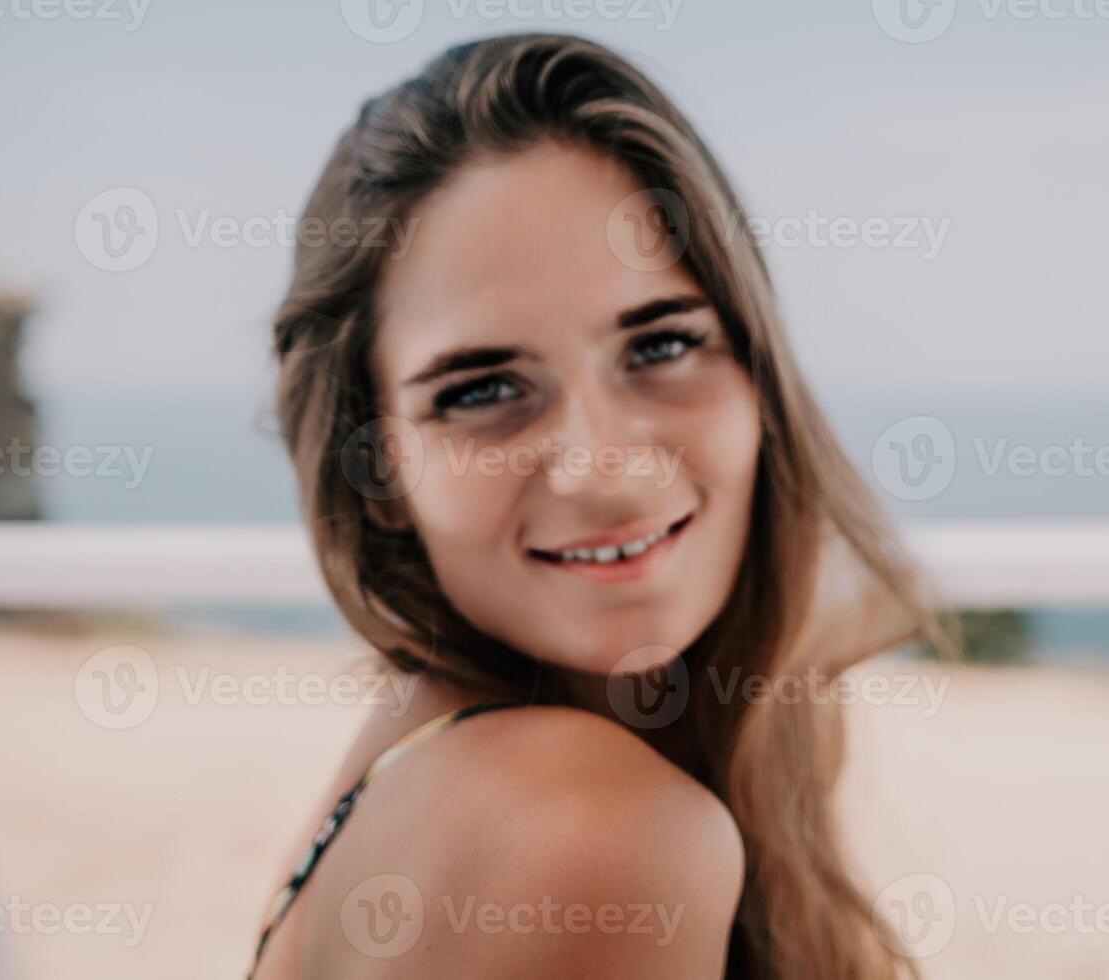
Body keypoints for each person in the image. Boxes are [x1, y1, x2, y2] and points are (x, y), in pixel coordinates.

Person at [249, 32, 951, 980]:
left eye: (660, 346)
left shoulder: (426, 742)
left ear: (754, 373)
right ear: (376, 482)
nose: (603, 469)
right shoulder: (589, 829)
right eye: (480, 390)